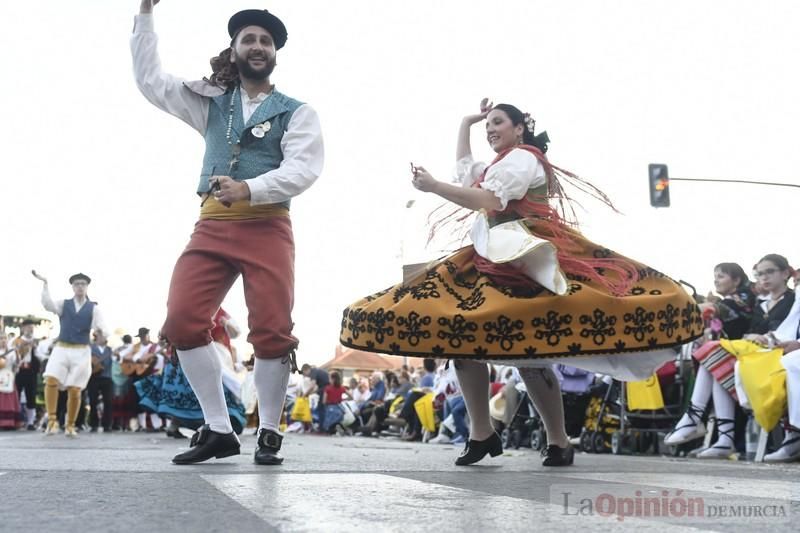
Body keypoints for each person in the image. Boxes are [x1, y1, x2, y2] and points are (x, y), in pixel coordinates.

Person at [340, 99, 703, 466]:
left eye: (498, 122)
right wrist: (466, 124)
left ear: (520, 128)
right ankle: (483, 433)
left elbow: (488, 198)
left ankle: (557, 439)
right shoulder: (500, 163)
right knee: (461, 339)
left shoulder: (524, 158)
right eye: (487, 126)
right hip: (493, 258)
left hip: (525, 260)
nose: (491, 130)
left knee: (528, 352)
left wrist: (433, 186)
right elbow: (468, 175)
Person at [132, 1, 324, 465]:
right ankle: (219, 428)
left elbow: (304, 169)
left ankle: (271, 432)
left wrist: (250, 188)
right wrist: (145, 15)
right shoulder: (212, 103)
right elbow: (151, 82)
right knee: (181, 320)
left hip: (269, 226)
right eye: (248, 40)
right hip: (213, 225)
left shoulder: (296, 112)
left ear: (275, 52)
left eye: (265, 41)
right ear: (234, 49)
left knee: (272, 331)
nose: (257, 46)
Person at [666, 256, 792, 458]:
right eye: (760, 274)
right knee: (714, 360)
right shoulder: (761, 305)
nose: (764, 277)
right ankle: (721, 436)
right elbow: (750, 332)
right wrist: (752, 336)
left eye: (770, 272)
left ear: (786, 273)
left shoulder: (790, 300)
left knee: (713, 353)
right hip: (748, 356)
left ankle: (696, 419)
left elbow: (789, 332)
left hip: (773, 357)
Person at [33, 271, 109, 437]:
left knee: (75, 389)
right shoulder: (64, 304)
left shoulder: (93, 308)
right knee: (51, 379)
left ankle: (70, 425)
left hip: (81, 350)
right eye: (77, 284)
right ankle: (52, 421)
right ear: (73, 287)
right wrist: (45, 283)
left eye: (83, 284)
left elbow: (102, 327)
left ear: (87, 287)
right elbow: (48, 305)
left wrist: (102, 332)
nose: (80, 286)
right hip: (62, 347)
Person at [14, 319, 41, 430]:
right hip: (19, 371)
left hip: (31, 371)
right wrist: (21, 348)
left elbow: (41, 356)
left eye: (32, 327)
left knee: (31, 395)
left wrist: (35, 349)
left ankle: (30, 422)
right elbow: (12, 355)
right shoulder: (16, 341)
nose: (30, 329)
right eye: (28, 327)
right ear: (23, 328)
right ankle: (16, 420)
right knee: (17, 394)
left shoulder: (36, 342)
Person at [87, 331, 114, 432]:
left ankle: (107, 424)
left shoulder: (110, 350)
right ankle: (93, 424)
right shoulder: (90, 348)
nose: (105, 338)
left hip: (107, 377)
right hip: (93, 377)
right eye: (103, 336)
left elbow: (117, 360)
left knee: (108, 401)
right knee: (92, 400)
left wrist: (118, 356)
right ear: (97, 337)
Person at [0, 331, 21, 429]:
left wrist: (17, 356)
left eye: (4, 338)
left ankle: (10, 422)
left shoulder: (11, 352)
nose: (3, 341)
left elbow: (16, 364)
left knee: (9, 398)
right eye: (1, 339)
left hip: (8, 376)